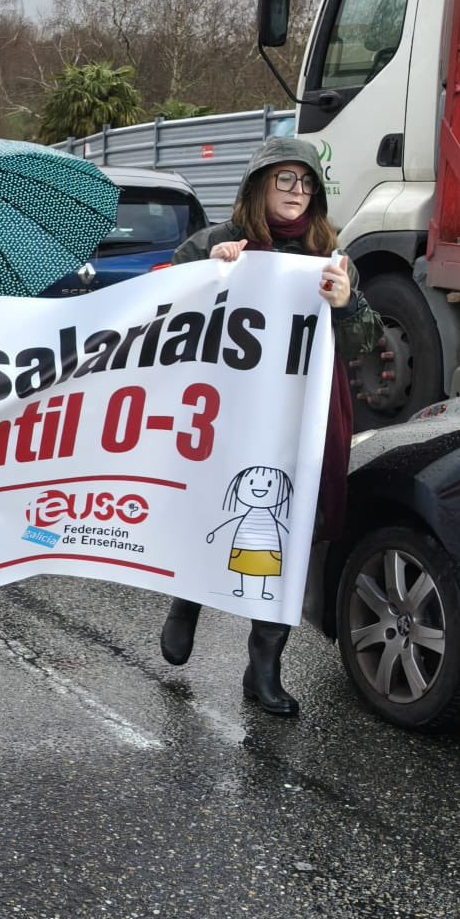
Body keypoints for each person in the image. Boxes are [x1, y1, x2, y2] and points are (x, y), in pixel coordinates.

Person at [156, 137, 382, 717]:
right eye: (285, 180)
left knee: (290, 527)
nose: (296, 192)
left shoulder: (332, 258)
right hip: (231, 414)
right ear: (259, 186)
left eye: (306, 183)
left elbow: (367, 342)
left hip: (302, 419)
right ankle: (187, 603)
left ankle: (264, 666)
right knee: (216, 509)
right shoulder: (216, 243)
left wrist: (348, 303)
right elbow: (159, 308)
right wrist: (208, 273)